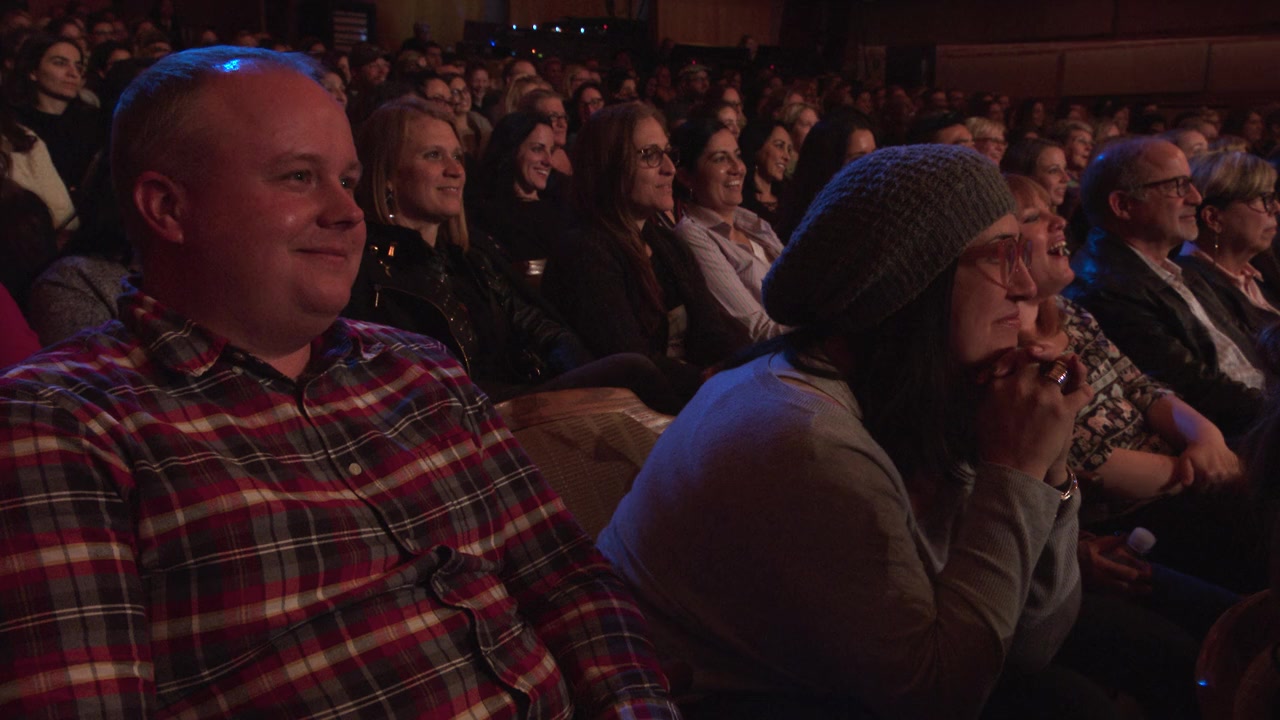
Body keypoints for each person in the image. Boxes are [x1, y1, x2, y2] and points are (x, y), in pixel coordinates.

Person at [0, 47, 678, 718]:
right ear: (168, 207)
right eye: (299, 177)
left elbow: (567, 581)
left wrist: (635, 705)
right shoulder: (60, 419)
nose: (350, 213)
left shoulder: (421, 368)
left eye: (348, 181)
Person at [599, 145, 1105, 718]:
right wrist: (1015, 469)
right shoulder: (804, 437)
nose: (1027, 285)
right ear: (909, 282)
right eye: (1003, 255)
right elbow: (941, 697)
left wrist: (1051, 471)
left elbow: (1031, 644)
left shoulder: (919, 394)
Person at [543, 103, 750, 407]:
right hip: (633, 415)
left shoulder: (667, 243)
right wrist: (710, 384)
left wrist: (745, 370)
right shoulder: (584, 253)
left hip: (689, 399)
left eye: (667, 153)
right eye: (650, 155)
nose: (669, 168)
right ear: (609, 164)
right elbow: (631, 365)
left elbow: (711, 331)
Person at [1064, 138, 1265, 439]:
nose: (1196, 197)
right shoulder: (1106, 288)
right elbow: (1194, 389)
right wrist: (1273, 413)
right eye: (1178, 186)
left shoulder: (1171, 268)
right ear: (1123, 205)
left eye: (1191, 183)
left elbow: (1246, 345)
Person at [671, 118, 787, 341]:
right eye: (720, 159)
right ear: (686, 177)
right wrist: (824, 330)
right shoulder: (694, 235)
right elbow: (756, 329)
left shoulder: (752, 222)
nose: (738, 168)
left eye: (737, 155)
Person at [1176, 150, 1280, 337]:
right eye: (1264, 199)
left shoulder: (1256, 271)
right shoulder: (1193, 286)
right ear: (1213, 218)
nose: (1276, 208)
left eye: (1273, 198)